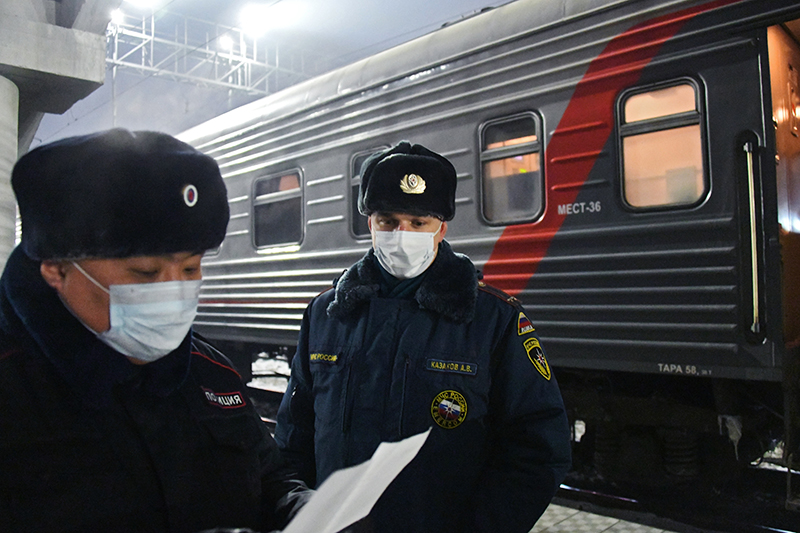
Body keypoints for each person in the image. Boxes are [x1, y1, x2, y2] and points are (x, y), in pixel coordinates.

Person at [0, 129, 309, 533]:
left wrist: (298, 505)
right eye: (145, 273)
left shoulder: (209, 371)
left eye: (191, 269)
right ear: (57, 269)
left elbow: (268, 475)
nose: (173, 290)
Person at [274, 141, 572, 532]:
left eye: (418, 223)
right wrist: (301, 510)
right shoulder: (326, 315)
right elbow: (293, 436)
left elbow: (538, 447)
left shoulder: (493, 321)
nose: (401, 234)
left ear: (441, 227)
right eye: (388, 221)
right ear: (370, 224)